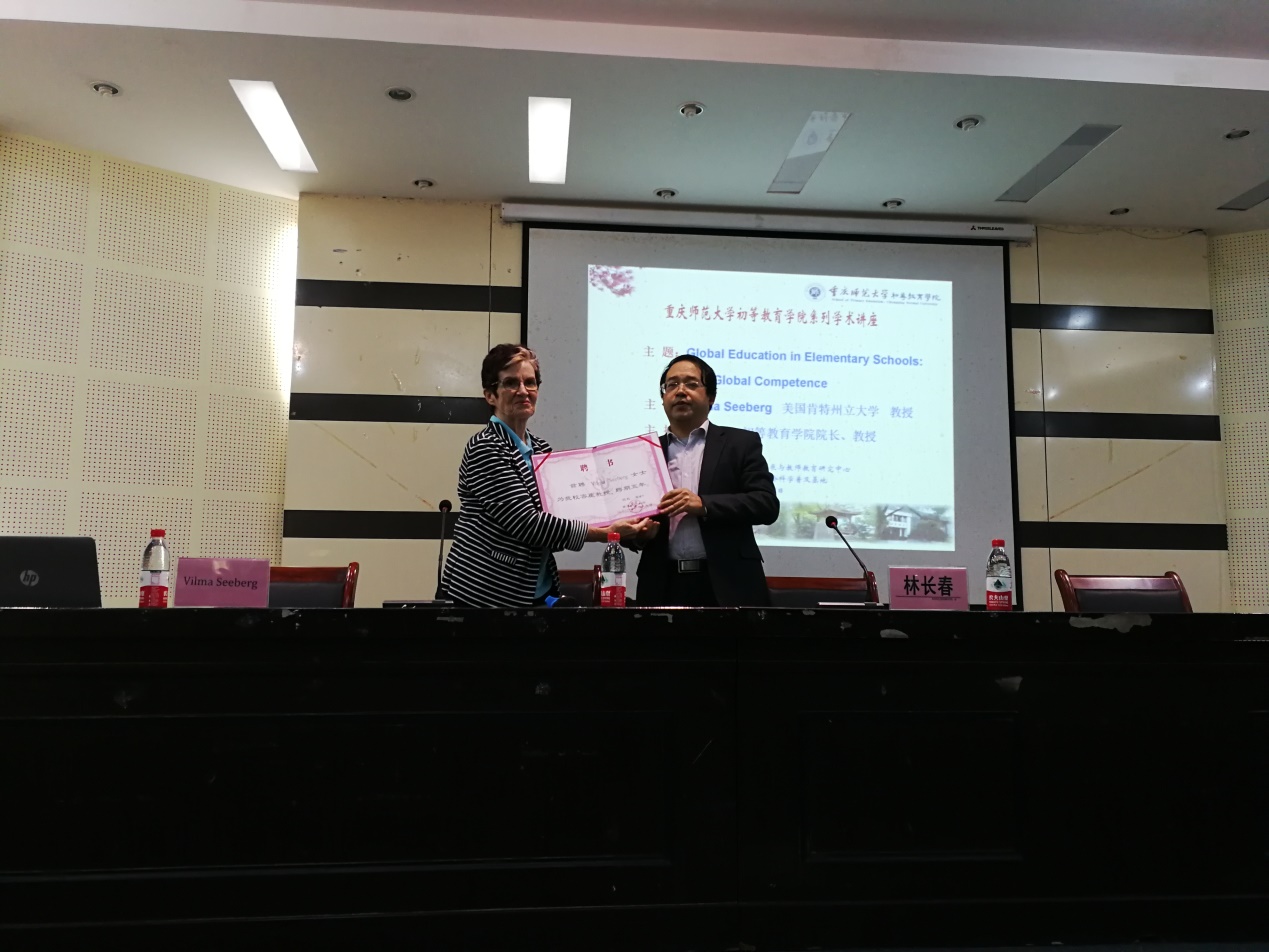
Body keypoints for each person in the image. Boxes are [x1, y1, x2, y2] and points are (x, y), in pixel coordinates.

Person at [440, 344, 650, 608]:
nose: (523, 391)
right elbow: (527, 524)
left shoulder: (541, 450)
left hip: (533, 592)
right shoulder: (486, 447)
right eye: (511, 383)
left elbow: (561, 517)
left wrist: (628, 518)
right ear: (490, 395)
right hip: (487, 595)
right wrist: (605, 532)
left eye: (530, 382)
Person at [631, 354, 780, 606]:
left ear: (711, 397)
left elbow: (766, 504)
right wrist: (639, 534)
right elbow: (629, 522)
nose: (680, 391)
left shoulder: (740, 444)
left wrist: (704, 505)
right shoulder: (645, 452)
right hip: (662, 583)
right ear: (663, 397)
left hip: (729, 584)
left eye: (691, 384)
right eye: (671, 385)